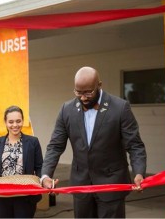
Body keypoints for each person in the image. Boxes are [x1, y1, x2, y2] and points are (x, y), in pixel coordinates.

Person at [41, 66, 147, 218]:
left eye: (88, 92)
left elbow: (135, 145)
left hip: (112, 184)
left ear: (99, 85)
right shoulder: (66, 109)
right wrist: (45, 175)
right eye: (78, 92)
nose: (83, 98)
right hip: (81, 185)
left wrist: (139, 172)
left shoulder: (120, 107)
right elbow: (55, 146)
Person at [0, 105, 43, 218]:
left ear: (23, 121)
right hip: (1, 197)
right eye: (11, 122)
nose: (15, 125)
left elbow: (39, 166)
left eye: (18, 121)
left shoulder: (33, 142)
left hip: (25, 197)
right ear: (5, 122)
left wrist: (44, 182)